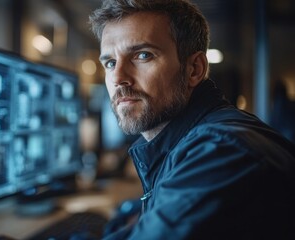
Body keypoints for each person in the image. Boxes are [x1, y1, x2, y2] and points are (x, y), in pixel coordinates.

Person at [89, 0, 295, 239]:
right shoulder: (188, 143)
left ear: (194, 69)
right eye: (110, 63)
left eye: (142, 55)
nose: (118, 78)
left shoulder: (221, 149)